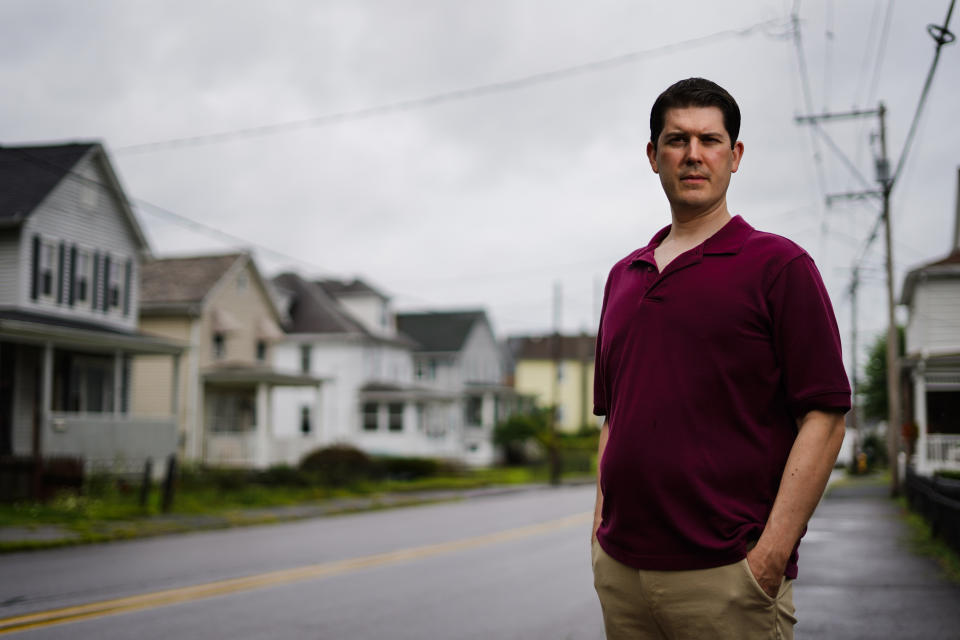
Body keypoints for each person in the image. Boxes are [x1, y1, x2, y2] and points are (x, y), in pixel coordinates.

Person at [591, 77, 850, 639]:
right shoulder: (623, 277)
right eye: (676, 139)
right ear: (653, 156)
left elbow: (826, 418)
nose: (692, 154)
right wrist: (598, 539)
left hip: (727, 577)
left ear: (734, 156)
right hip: (623, 576)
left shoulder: (779, 266)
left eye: (709, 140)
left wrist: (770, 555)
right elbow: (616, 419)